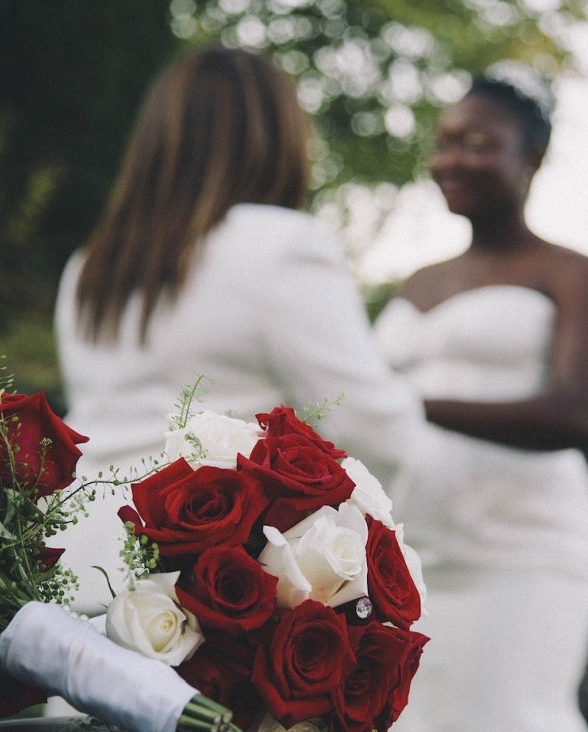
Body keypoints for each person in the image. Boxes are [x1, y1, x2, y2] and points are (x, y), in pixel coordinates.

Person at [50, 44, 426, 619]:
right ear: (277, 139)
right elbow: (382, 432)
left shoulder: (90, 265)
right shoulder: (281, 246)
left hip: (74, 577)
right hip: (202, 598)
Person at [371, 68, 588, 732]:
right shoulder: (412, 284)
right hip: (412, 552)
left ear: (532, 158)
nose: (453, 159)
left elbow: (582, 414)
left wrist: (409, 402)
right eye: (446, 141)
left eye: (480, 143)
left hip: (523, 550)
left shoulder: (571, 274)